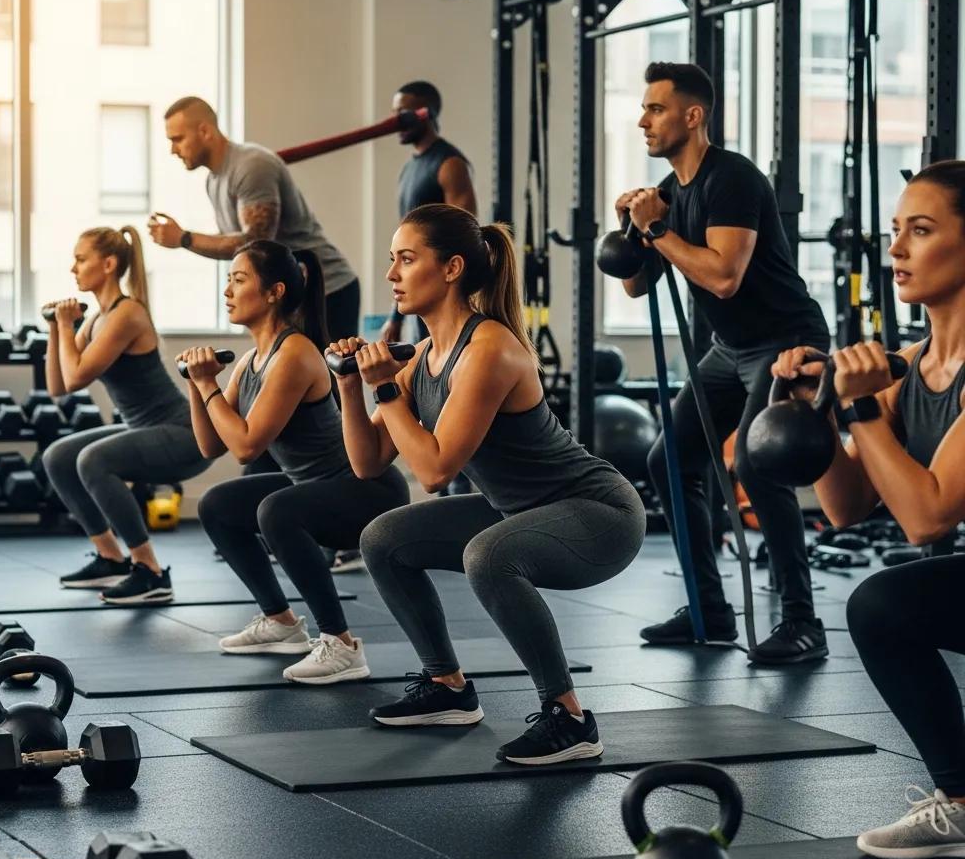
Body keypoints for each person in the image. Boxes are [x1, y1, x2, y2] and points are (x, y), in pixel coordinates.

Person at [333, 204, 646, 765]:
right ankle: (446, 687)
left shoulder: (489, 350)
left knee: (488, 555)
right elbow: (367, 461)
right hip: (519, 511)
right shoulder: (423, 356)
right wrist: (351, 386)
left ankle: (570, 719)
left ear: (451, 268)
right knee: (383, 539)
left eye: (407, 259)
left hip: (600, 515)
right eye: (392, 260)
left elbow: (435, 471)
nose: (391, 274)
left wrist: (385, 390)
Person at [771, 162, 965, 859]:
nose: (897, 250)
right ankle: (962, 801)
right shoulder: (909, 367)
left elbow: (929, 517)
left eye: (921, 231)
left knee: (886, 599)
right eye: (895, 230)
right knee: (882, 608)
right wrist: (816, 409)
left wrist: (857, 405)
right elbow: (846, 505)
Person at [615, 61, 831, 664]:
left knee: (760, 464)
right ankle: (707, 608)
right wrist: (631, 228)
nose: (643, 121)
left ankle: (803, 622)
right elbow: (636, 286)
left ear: (693, 115)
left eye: (655, 109)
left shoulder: (731, 178)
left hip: (785, 340)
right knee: (668, 461)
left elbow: (724, 276)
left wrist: (657, 228)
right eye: (644, 109)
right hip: (729, 348)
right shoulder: (669, 193)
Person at [179, 239, 409, 684]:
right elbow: (210, 446)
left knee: (276, 510)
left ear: (274, 292)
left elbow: (246, 446)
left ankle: (341, 644)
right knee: (217, 505)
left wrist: (208, 385)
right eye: (228, 280)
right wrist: (196, 384)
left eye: (238, 279)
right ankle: (280, 622)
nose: (227, 290)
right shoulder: (251, 362)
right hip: (312, 487)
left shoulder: (295, 354)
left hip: (365, 490)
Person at [43, 227, 210, 605]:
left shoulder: (128, 313)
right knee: (59, 456)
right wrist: (56, 328)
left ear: (108, 264)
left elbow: (76, 375)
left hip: (185, 434)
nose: (73, 268)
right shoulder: (96, 320)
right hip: (145, 429)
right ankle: (110, 558)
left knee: (93, 460)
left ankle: (150, 571)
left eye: (80, 259)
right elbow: (58, 385)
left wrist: (66, 325)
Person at [149, 96, 361, 349]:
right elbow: (237, 248)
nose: (173, 150)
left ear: (204, 131)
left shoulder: (252, 166)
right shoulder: (213, 181)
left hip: (326, 291)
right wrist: (183, 240)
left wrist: (184, 238)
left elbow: (256, 244)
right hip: (286, 297)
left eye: (178, 139)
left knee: (321, 373)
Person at [381, 81, 478, 346]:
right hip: (419, 297)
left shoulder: (450, 165)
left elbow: (465, 239)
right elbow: (405, 249)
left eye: (402, 113)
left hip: (444, 299)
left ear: (426, 112)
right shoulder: (408, 170)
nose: (395, 121)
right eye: (393, 113)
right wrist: (396, 315)